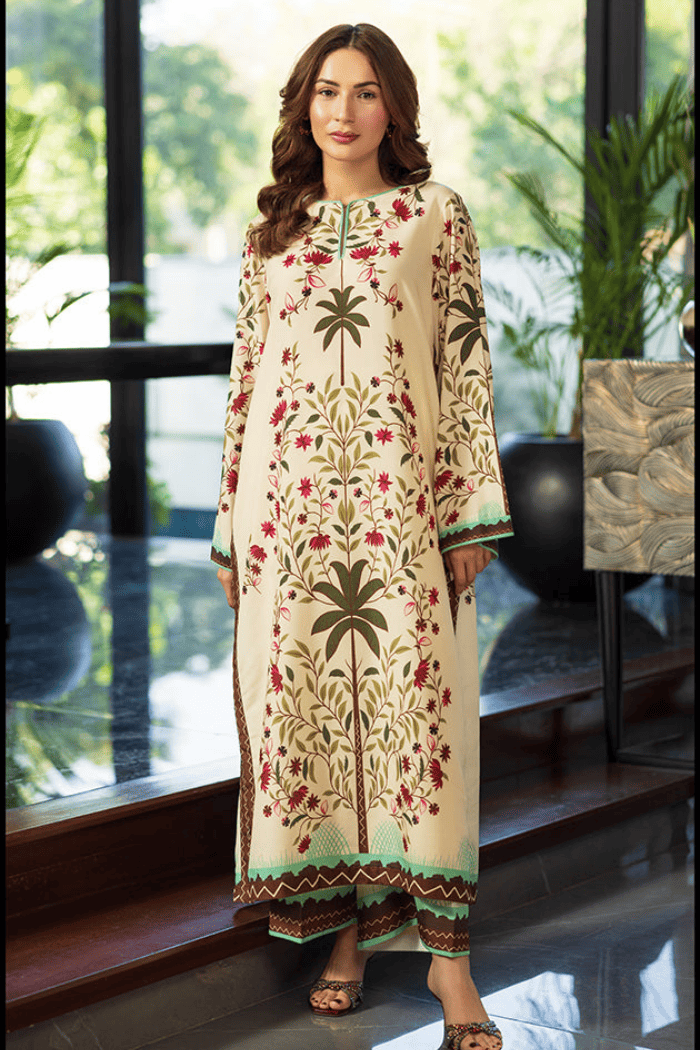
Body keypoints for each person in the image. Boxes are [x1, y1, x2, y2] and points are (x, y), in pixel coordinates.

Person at [213, 23, 513, 1050]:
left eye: (367, 92)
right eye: (326, 92)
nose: (342, 111)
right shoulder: (272, 237)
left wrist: (469, 505)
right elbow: (245, 389)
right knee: (313, 729)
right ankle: (343, 938)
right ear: (304, 106)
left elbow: (467, 362)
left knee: (417, 727)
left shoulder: (434, 215)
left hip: (401, 513)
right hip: (285, 520)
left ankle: (449, 965)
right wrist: (227, 530)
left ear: (397, 109)